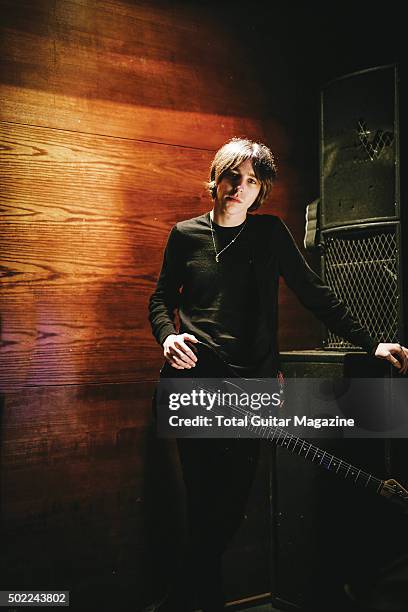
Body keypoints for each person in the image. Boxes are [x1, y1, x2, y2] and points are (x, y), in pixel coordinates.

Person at [148, 137, 408, 611]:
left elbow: (315, 293)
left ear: (260, 190)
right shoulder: (184, 234)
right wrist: (167, 336)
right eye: (233, 176)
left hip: (254, 388)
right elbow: (161, 299)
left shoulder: (269, 234)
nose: (240, 187)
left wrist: (373, 342)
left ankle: (180, 601)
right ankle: (203, 603)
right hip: (193, 381)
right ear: (216, 178)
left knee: (227, 509)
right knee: (204, 504)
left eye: (251, 181)